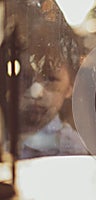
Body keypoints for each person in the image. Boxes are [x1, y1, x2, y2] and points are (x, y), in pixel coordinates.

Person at [6, 2, 89, 159]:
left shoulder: (70, 146)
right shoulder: (6, 133)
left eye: (51, 79)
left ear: (70, 86)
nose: (37, 92)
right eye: (25, 77)